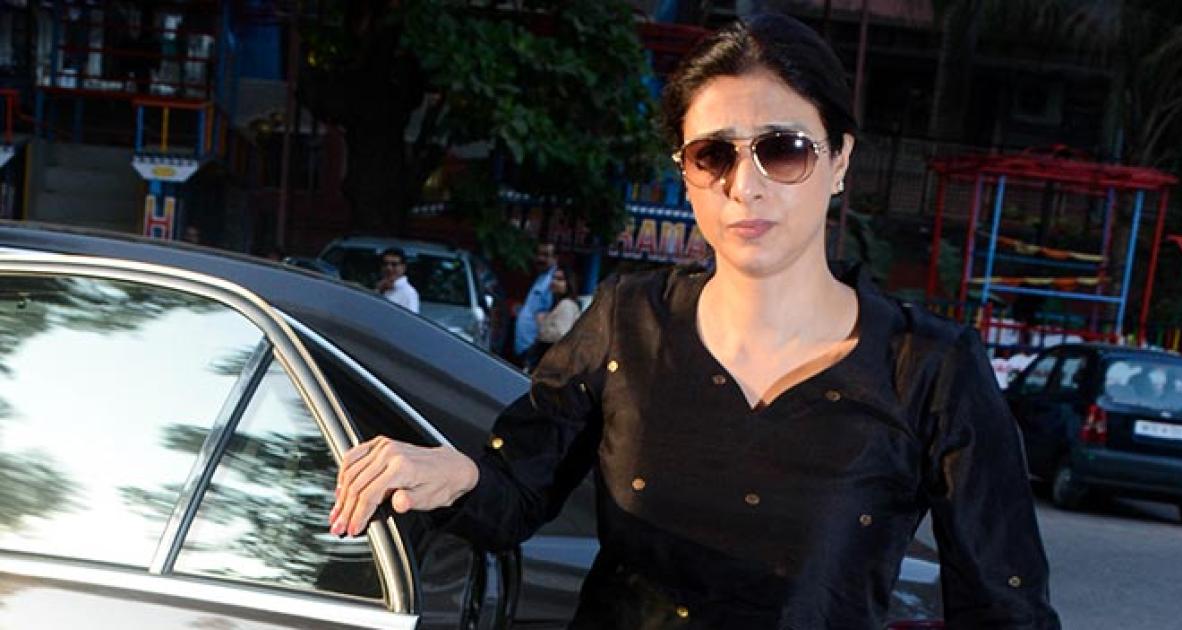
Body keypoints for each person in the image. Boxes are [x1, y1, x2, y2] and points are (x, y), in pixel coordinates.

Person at [329, 14, 1060, 629]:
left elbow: (1005, 608)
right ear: (685, 173)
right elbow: (516, 491)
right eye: (714, 155)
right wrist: (452, 474)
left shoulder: (930, 369)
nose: (746, 186)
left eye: (783, 150)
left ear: (840, 160)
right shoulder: (627, 322)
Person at [526, 267, 583, 371]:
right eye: (553, 278)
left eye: (560, 279)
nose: (554, 282)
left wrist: (542, 325)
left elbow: (561, 334)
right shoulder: (558, 304)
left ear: (569, 283)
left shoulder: (567, 305)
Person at [513, 241, 558, 366]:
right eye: (539, 254)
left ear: (555, 258)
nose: (540, 259)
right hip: (524, 347)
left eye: (546, 255)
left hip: (533, 349)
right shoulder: (542, 277)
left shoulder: (554, 281)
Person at [376, 248, 419, 314]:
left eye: (394, 264)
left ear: (403, 268)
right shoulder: (381, 289)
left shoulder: (409, 293)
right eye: (385, 264)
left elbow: (409, 319)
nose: (389, 268)